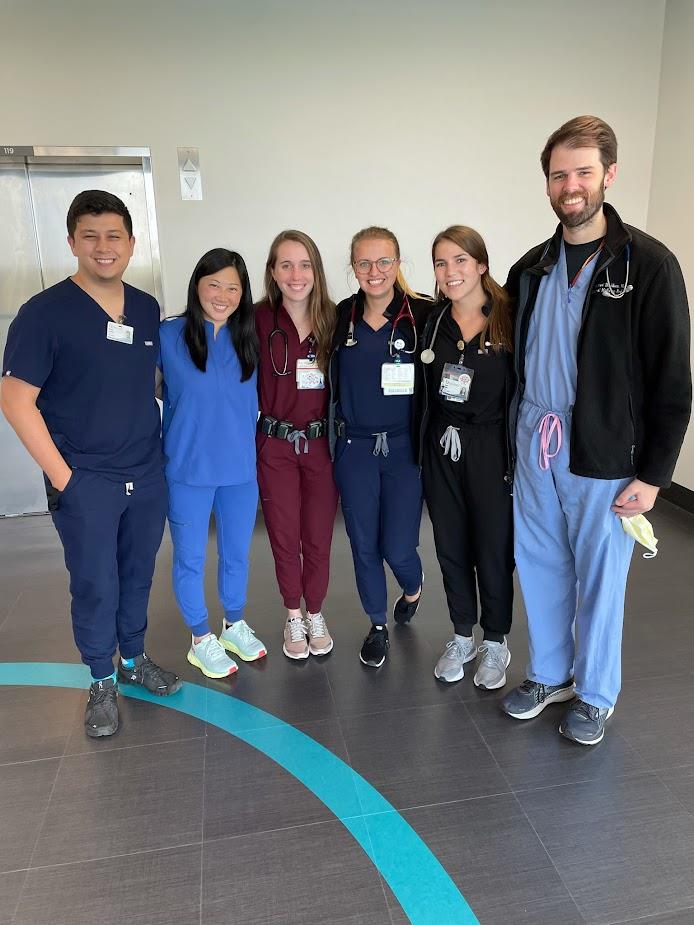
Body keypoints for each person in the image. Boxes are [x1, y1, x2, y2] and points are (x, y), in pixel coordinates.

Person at [501, 116, 691, 745]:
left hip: (604, 453)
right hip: (536, 446)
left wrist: (654, 475)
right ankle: (550, 673)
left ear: (609, 174)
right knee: (540, 564)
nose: (571, 185)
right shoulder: (531, 267)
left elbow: (671, 379)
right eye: (559, 174)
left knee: (600, 577)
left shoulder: (650, 266)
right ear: (547, 183)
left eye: (583, 171)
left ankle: (596, 692)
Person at [0, 189, 181, 738]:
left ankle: (133, 657)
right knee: (96, 582)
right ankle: (101, 677)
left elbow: (145, 379)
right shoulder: (44, 314)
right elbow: (14, 398)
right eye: (91, 236)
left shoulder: (147, 308)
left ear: (131, 242)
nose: (104, 248)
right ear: (73, 242)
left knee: (138, 573)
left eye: (114, 236)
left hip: (146, 473)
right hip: (87, 480)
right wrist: (65, 479)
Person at [414, 226, 514, 688]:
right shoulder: (434, 322)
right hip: (441, 446)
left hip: (491, 447)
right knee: (450, 544)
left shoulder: (510, 317)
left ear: (481, 265)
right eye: (440, 263)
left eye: (459, 260)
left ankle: (495, 640)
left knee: (493, 546)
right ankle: (462, 635)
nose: (450, 271)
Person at [158, 248, 265, 679]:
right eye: (214, 284)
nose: (222, 295)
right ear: (197, 284)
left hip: (240, 470)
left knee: (237, 553)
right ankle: (200, 638)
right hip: (187, 470)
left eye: (233, 287)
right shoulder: (169, 334)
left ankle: (233, 623)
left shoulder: (250, 336)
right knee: (189, 558)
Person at [328, 226, 431, 667]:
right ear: (353, 267)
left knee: (398, 547)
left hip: (406, 450)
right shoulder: (339, 317)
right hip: (355, 449)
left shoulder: (422, 314)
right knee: (363, 542)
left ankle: (413, 587)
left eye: (384, 261)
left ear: (398, 264)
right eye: (364, 263)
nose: (375, 271)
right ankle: (376, 623)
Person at [255, 231, 338, 659]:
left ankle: (316, 612)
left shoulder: (334, 319)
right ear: (272, 272)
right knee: (285, 536)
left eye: (304, 264)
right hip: (276, 445)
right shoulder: (257, 320)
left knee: (319, 536)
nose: (295, 274)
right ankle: (293, 615)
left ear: (316, 270)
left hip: (322, 446)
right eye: (285, 265)